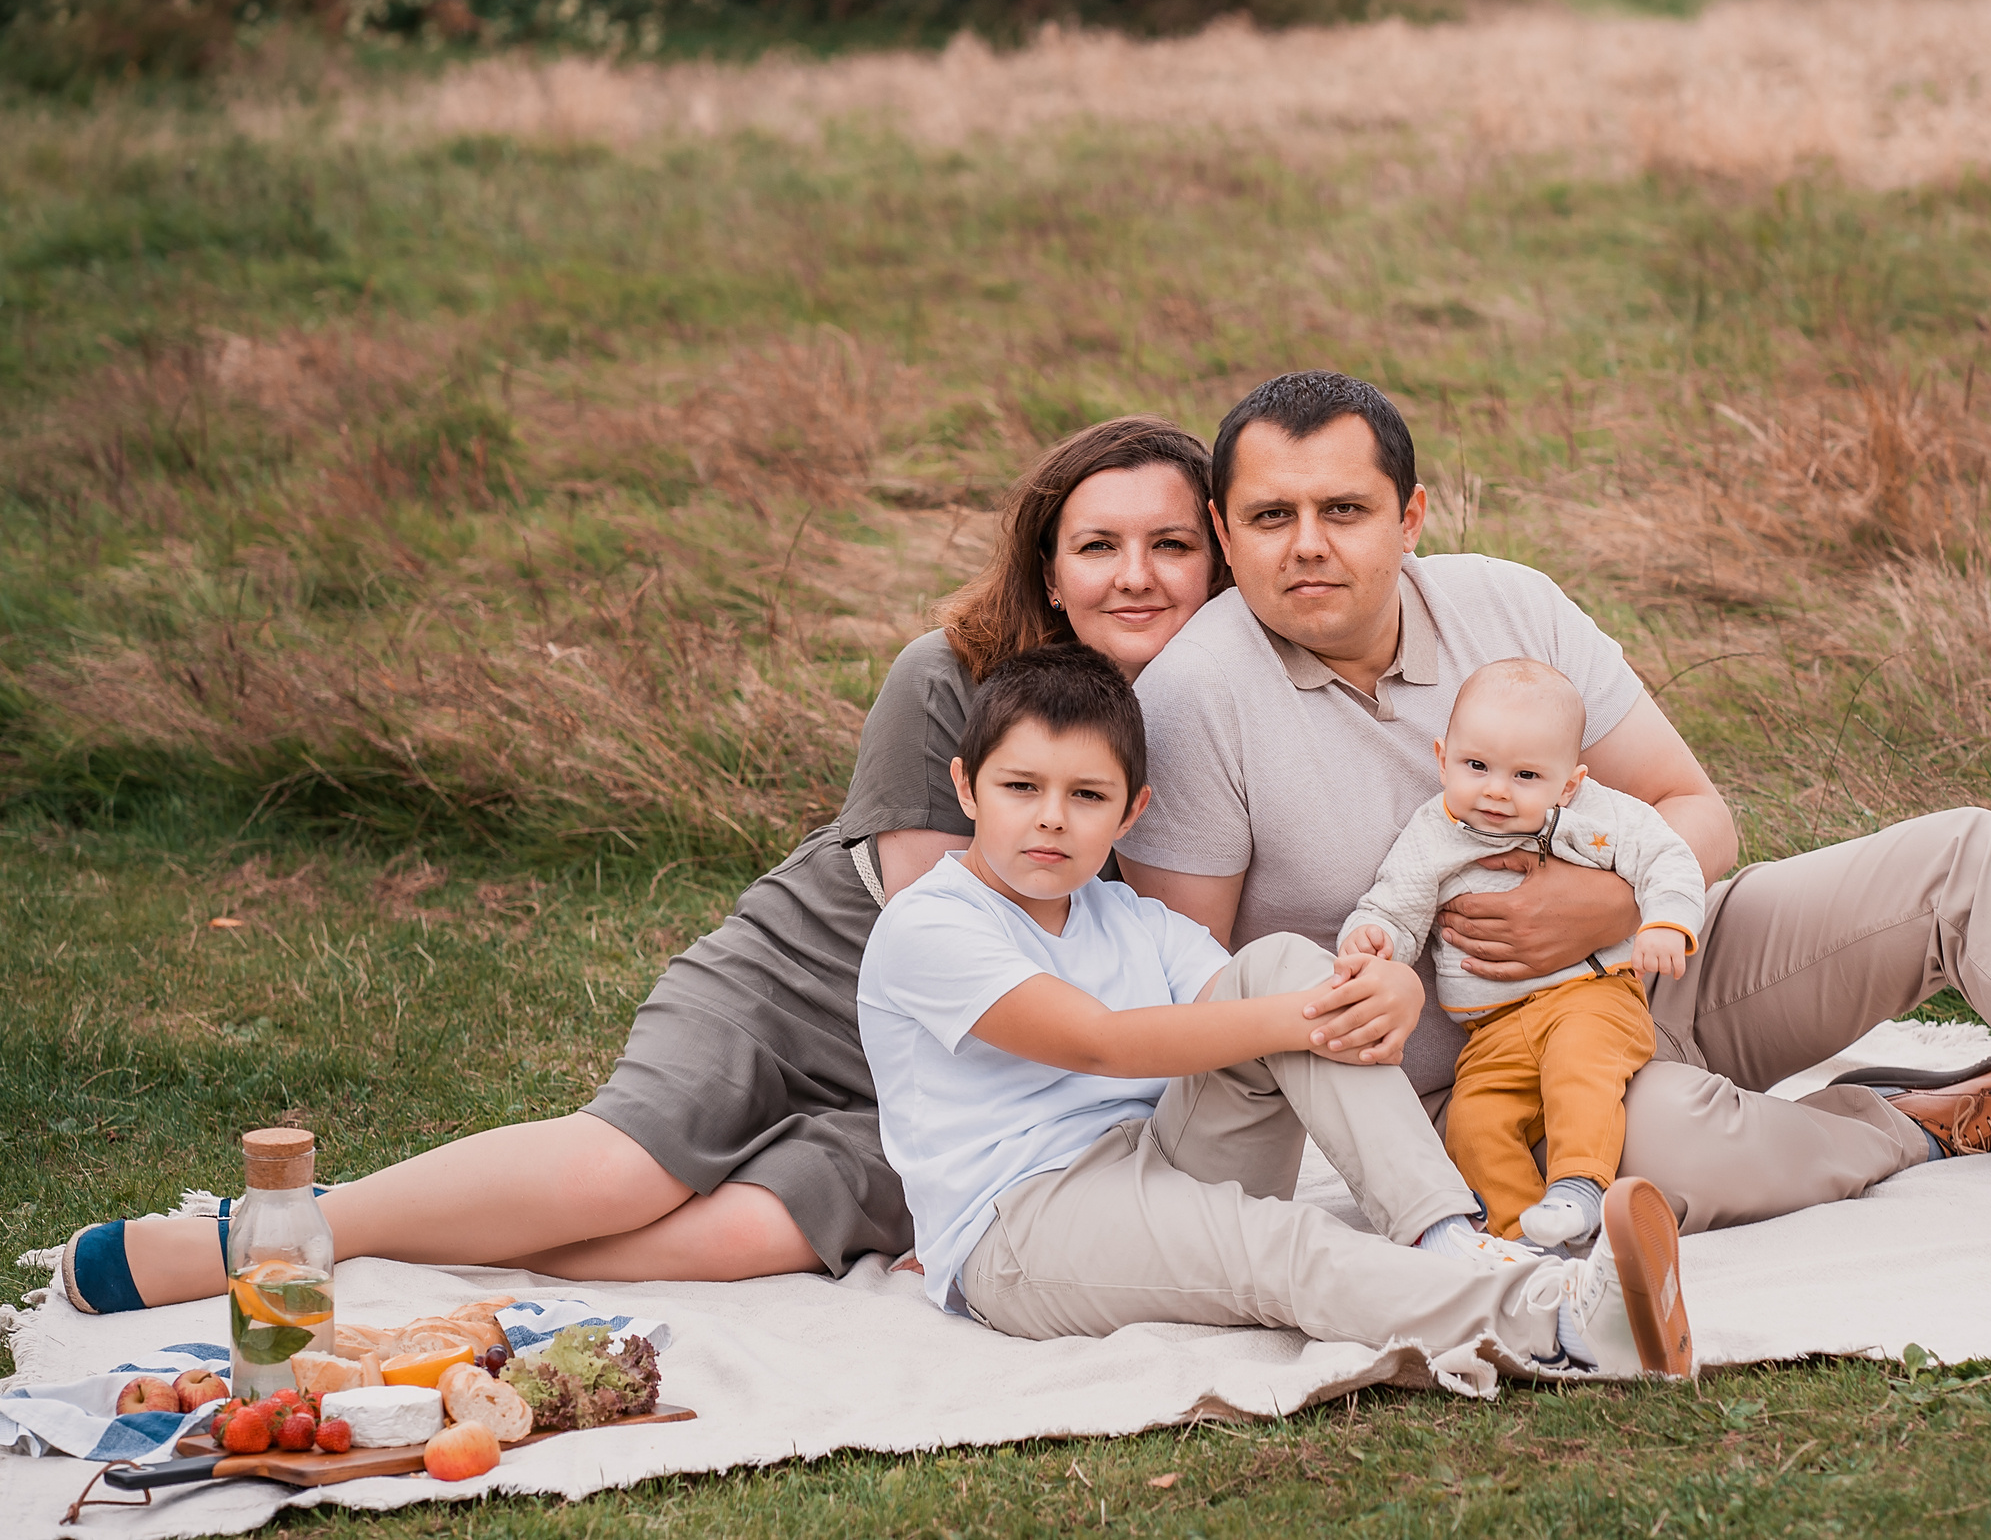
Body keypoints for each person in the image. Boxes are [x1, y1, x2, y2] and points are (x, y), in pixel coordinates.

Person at [1116, 371, 1991, 1235]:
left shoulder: (1505, 601)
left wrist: (1602, 901)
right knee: (1652, 1153)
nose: (1309, 544)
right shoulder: (1198, 690)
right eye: (1273, 515)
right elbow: (1202, 982)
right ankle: (1920, 1118)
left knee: (1960, 851)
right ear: (1228, 531)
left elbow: (1695, 805)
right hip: (1486, 1085)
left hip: (1661, 959)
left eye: (1344, 509)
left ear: (1411, 513)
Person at [56, 415, 1242, 1313]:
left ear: (1217, 560)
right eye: (1098, 545)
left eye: (1169, 545)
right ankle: (277, 1236)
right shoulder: (951, 671)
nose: (1133, 575)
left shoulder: (1216, 715)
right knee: (624, 1174)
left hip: (969, 1081)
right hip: (820, 981)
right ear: (1049, 567)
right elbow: (950, 921)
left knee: (739, 1240)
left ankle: (412, 1249)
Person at [857, 642, 1693, 1383]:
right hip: (1027, 1225)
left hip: (1163, 1154)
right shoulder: (931, 921)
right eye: (1020, 786)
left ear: (1130, 812)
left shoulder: (1127, 918)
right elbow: (1099, 1043)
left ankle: (1441, 1232)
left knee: (1285, 963)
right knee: (1282, 1245)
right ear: (966, 786)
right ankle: (1562, 1323)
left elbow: (1280, 1003)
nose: (1050, 816)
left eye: (1085, 794)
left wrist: (1390, 981)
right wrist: (1310, 1014)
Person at [1339, 657, 1706, 1250]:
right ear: (1442, 759)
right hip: (1492, 1030)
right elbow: (1395, 905)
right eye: (1476, 766)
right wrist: (1374, 939)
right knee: (1474, 1121)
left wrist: (1666, 920)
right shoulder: (1432, 834)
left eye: (1526, 776)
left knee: (1579, 1069)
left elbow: (1667, 858)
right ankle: (1521, 1238)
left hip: (1592, 997)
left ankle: (1579, 1187)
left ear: (1568, 783)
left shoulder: (1599, 818)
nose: (1496, 791)